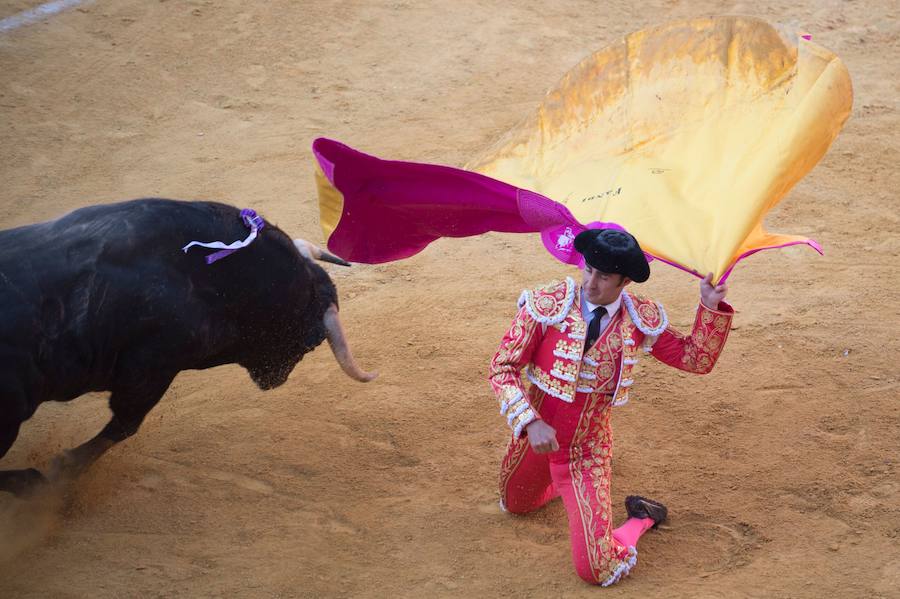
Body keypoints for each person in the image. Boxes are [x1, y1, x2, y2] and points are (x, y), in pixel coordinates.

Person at [489, 228, 733, 586]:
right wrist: (529, 421)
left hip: (587, 450)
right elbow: (502, 367)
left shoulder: (639, 320)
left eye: (604, 276)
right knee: (516, 503)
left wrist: (709, 305)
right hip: (537, 439)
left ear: (625, 281)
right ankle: (568, 491)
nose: (590, 283)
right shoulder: (549, 304)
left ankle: (640, 519)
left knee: (596, 569)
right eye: (588, 269)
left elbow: (695, 359)